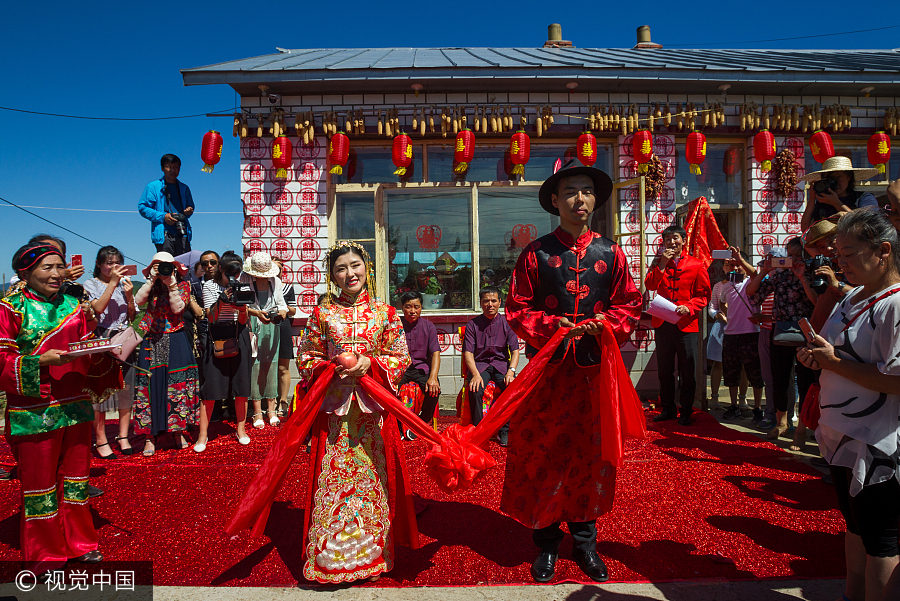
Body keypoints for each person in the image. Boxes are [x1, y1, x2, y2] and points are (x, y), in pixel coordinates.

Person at [504, 164, 644, 583]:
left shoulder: (611, 253)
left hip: (593, 375)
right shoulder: (536, 253)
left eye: (586, 192)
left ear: (595, 201)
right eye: (570, 193)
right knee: (544, 454)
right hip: (546, 373)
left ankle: (585, 545)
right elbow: (517, 309)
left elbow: (630, 304)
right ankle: (546, 544)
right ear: (555, 201)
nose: (579, 200)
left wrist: (607, 324)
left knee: (589, 458)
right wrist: (551, 326)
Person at [294, 241, 417, 582]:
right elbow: (306, 357)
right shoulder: (322, 314)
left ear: (367, 268)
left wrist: (370, 363)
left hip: (372, 416)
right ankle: (329, 559)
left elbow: (401, 356)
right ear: (331, 276)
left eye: (355, 266)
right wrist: (329, 367)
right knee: (332, 484)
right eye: (341, 269)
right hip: (334, 417)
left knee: (372, 483)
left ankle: (371, 556)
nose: (350, 274)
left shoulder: (386, 313)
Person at [797, 209, 900, 601]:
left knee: (880, 541)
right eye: (838, 254)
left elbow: (896, 379)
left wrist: (833, 362)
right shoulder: (853, 296)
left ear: (883, 251)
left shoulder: (895, 304)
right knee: (855, 528)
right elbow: (829, 349)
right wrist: (815, 356)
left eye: (850, 253)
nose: (841, 262)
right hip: (841, 437)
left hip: (877, 443)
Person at [0, 242, 105, 569]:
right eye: (48, 268)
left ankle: (80, 542)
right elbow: (2, 359)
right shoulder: (10, 307)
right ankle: (46, 554)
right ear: (25, 272)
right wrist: (38, 361)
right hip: (34, 410)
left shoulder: (75, 303)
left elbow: (87, 344)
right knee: (40, 486)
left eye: (60, 267)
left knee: (75, 480)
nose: (57, 274)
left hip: (75, 406)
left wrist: (102, 349)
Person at [747, 237, 817, 440]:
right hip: (780, 332)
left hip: (806, 332)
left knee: (804, 380)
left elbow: (817, 301)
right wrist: (765, 271)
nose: (793, 260)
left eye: (798, 255)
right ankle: (782, 422)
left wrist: (803, 278)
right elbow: (753, 295)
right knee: (780, 379)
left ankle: (802, 427)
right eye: (790, 255)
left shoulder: (812, 273)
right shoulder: (781, 276)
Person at [133, 252, 199, 456]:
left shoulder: (183, 286)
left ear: (175, 269)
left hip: (176, 337)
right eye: (159, 266)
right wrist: (151, 280)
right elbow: (138, 301)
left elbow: (177, 308)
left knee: (176, 384)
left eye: (167, 266)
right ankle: (149, 436)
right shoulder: (151, 286)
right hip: (153, 338)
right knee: (151, 384)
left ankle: (177, 430)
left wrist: (171, 284)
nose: (163, 270)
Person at [645, 224, 712, 425]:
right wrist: (662, 264)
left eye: (675, 239)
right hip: (663, 322)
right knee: (665, 370)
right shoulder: (660, 264)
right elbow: (650, 285)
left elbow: (704, 295)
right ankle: (668, 408)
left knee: (687, 371)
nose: (672, 243)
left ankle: (686, 411)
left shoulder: (696, 265)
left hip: (686, 325)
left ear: (683, 241)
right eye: (668, 239)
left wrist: (689, 307)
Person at [195, 251, 253, 451]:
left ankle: (241, 429)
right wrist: (223, 299)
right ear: (221, 268)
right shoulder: (209, 286)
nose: (233, 275)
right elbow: (211, 318)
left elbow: (244, 321)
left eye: (236, 271)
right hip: (217, 336)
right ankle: (202, 436)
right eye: (230, 270)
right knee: (210, 389)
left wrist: (242, 308)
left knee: (241, 387)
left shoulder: (242, 285)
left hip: (238, 334)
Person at [83, 246, 136, 457]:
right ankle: (101, 439)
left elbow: (132, 316)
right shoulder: (91, 284)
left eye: (117, 263)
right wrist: (113, 283)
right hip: (101, 339)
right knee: (100, 392)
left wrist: (130, 296)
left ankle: (123, 436)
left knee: (126, 389)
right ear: (99, 264)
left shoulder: (125, 285)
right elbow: (96, 309)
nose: (113, 267)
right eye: (108, 263)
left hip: (124, 340)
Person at [463, 286, 518, 446]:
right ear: (481, 303)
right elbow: (468, 353)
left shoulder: (507, 323)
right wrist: (475, 374)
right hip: (480, 367)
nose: (490, 304)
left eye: (494, 300)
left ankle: (505, 431)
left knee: (512, 390)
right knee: (475, 389)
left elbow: (515, 351)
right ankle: (480, 431)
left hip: (501, 366)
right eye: (486, 301)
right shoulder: (473, 325)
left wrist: (511, 371)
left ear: (499, 302)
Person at [718, 247, 764, 423]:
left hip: (751, 333)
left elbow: (755, 273)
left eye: (739, 265)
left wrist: (741, 260)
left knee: (755, 372)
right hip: (731, 334)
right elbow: (722, 305)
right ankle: (734, 405)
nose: (736, 269)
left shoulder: (752, 282)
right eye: (733, 265)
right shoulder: (726, 286)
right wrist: (728, 317)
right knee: (731, 372)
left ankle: (758, 408)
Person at [244, 252, 288, 428]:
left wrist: (282, 313)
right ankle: (257, 411)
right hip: (251, 323)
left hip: (271, 323)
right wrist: (256, 313)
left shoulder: (275, 281)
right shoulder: (245, 279)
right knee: (255, 365)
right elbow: (241, 305)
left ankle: (271, 408)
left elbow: (281, 303)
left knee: (271, 364)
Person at [398, 290, 441, 439]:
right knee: (388, 390)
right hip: (400, 368)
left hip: (422, 368)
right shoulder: (396, 325)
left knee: (434, 391)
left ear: (421, 307)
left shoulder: (429, 326)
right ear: (402, 308)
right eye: (408, 307)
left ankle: (420, 424)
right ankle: (397, 426)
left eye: (416, 306)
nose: (412, 311)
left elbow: (435, 353)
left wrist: (433, 377)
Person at [800, 155, 878, 231]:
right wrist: (812, 199)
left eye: (837, 177)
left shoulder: (864, 198)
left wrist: (837, 203)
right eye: (829, 178)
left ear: (849, 177)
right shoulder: (823, 202)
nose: (834, 182)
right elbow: (805, 228)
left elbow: (868, 224)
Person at [138, 154, 195, 255]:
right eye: (169, 167)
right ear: (162, 168)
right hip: (164, 234)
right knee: (166, 267)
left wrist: (189, 210)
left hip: (183, 233)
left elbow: (191, 207)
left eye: (176, 167)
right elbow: (143, 208)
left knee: (184, 267)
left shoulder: (184, 188)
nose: (172, 170)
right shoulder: (153, 187)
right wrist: (163, 217)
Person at [272, 257, 298, 420]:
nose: (276, 271)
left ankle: (282, 401)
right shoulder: (259, 286)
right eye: (272, 268)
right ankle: (269, 402)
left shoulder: (287, 287)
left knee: (283, 367)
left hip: (283, 325)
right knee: (266, 368)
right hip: (265, 325)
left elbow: (294, 310)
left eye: (278, 268)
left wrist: (282, 306)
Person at [706, 263, 729, 406]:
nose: (731, 268)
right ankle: (714, 397)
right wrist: (716, 315)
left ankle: (741, 399)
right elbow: (712, 306)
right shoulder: (718, 286)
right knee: (718, 363)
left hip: (740, 326)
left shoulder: (747, 285)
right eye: (727, 265)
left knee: (743, 366)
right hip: (721, 326)